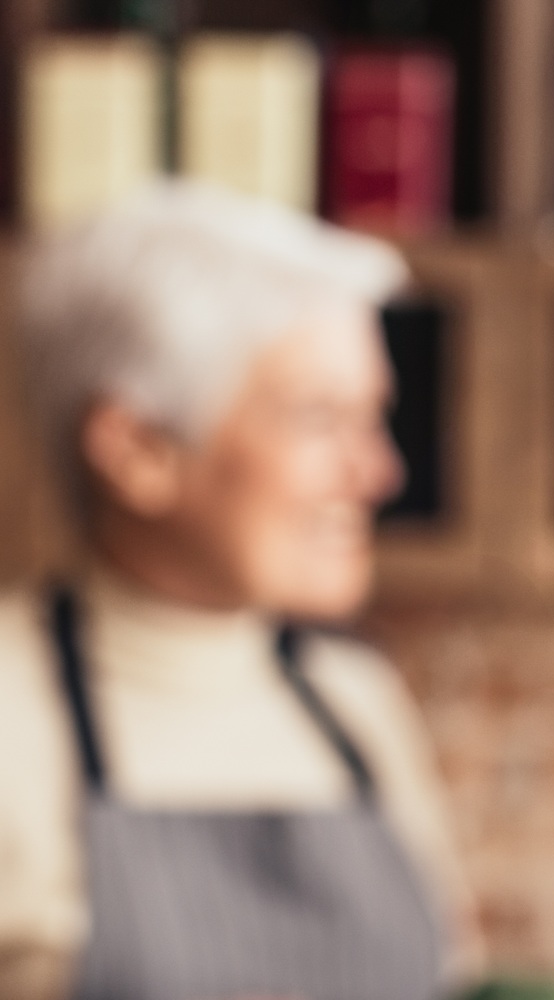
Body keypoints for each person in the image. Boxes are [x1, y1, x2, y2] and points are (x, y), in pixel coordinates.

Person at [0, 183, 481, 999]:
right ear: (136, 449)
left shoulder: (354, 705)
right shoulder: (14, 710)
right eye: (319, 420)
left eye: (374, 420)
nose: (377, 472)